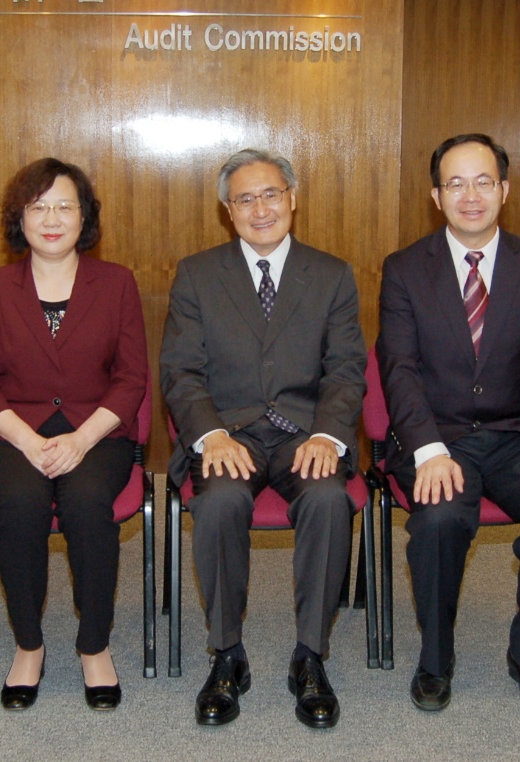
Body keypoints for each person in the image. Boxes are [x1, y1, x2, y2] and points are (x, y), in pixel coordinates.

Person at [376, 133, 520, 713]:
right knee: (441, 519)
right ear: (435, 196)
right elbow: (399, 371)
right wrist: (427, 450)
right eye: (456, 183)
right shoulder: (404, 270)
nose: (471, 196)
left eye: (484, 181)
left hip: (516, 437)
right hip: (436, 438)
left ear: (505, 190)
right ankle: (436, 662)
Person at [160, 149, 366, 729]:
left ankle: (310, 656)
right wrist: (210, 435)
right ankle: (227, 654)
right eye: (245, 198)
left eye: (271, 194)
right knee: (221, 500)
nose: (260, 208)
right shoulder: (198, 274)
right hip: (231, 433)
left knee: (327, 498)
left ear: (293, 199)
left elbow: (347, 370)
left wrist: (328, 434)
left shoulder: (332, 274)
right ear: (228, 211)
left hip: (306, 433)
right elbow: (180, 371)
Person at [0, 158, 147, 711]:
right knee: (19, 505)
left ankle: (94, 645)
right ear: (19, 218)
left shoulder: (116, 284)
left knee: (89, 504)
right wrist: (28, 440)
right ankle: (29, 645)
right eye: (38, 206)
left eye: (65, 206)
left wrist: (81, 440)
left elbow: (132, 377)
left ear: (84, 216)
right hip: (13, 433)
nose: (51, 218)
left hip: (98, 433)